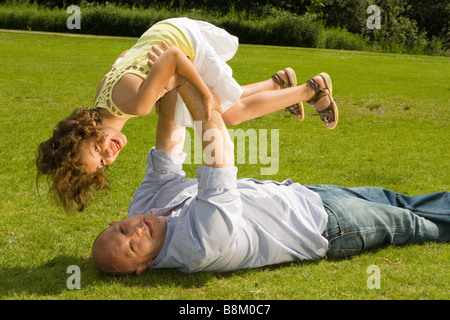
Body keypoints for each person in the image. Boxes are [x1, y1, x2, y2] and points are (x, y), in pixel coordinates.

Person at [91, 79, 449, 276]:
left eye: (123, 229)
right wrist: (190, 86)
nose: (137, 231)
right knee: (415, 225)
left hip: (307, 195)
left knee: (400, 201)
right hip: (329, 227)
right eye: (134, 247)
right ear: (145, 266)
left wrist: (168, 88)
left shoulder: (144, 206)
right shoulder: (199, 245)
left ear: (115, 221)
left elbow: (167, 145)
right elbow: (218, 151)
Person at [36, 17, 338, 213]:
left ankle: (313, 91)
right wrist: (159, 83)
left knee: (227, 113)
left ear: (84, 132)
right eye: (102, 163)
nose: (108, 154)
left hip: (182, 41)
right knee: (220, 106)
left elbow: (173, 57)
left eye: (96, 150)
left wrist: (201, 93)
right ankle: (279, 84)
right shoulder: (104, 97)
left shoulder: (135, 105)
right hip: (167, 31)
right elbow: (122, 59)